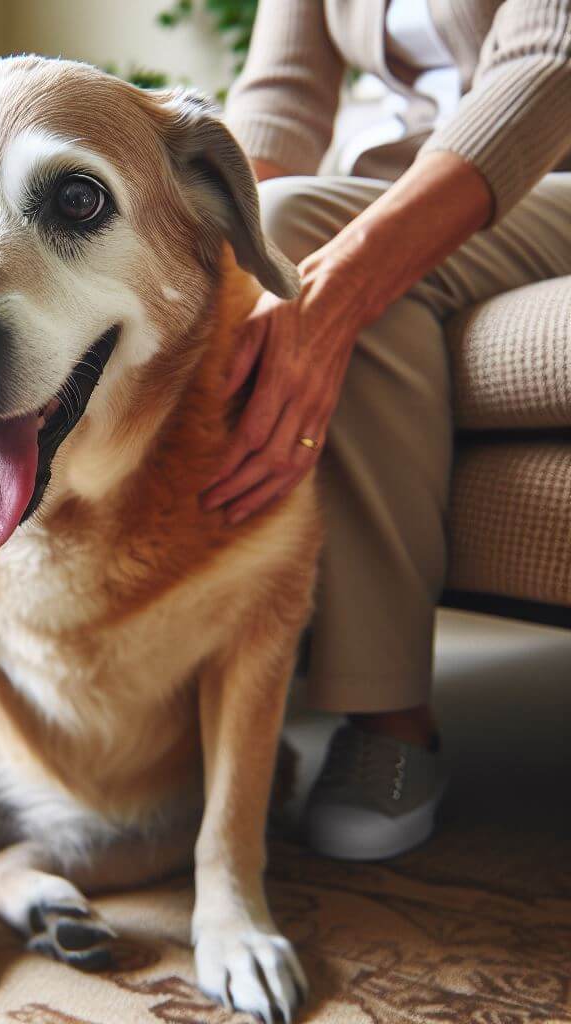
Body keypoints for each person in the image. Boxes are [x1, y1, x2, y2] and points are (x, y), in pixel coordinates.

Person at [202, 0, 571, 860]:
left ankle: (389, 723)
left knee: (299, 235)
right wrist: (206, 264)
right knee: (256, 247)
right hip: (401, 185)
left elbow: (547, 67)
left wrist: (353, 262)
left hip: (551, 167)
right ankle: (243, 677)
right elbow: (281, 100)